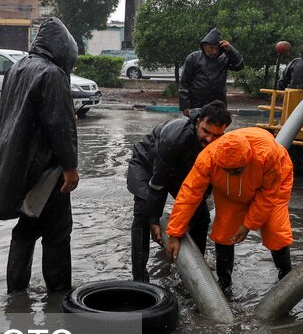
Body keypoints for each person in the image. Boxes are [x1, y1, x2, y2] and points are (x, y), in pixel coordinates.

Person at [0, 17, 80, 293]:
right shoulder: (52, 74)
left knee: (28, 226)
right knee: (58, 232)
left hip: (20, 164)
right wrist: (71, 168)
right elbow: (59, 125)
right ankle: (59, 296)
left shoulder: (17, 68)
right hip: (47, 168)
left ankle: (16, 291)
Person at [165, 127, 294, 289]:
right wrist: (174, 233)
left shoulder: (268, 155)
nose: (233, 174)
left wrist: (248, 224)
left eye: (237, 170)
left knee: (276, 231)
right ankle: (224, 284)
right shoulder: (208, 159)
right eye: (228, 170)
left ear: (247, 159)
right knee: (223, 232)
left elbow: (267, 195)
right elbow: (189, 194)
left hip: (274, 184)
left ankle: (287, 279)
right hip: (229, 191)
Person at [126, 100, 233, 282]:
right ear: (198, 121)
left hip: (181, 171)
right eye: (206, 132)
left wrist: (186, 223)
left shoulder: (219, 146)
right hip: (147, 165)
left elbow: (202, 191)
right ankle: (139, 280)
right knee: (143, 214)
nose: (209, 140)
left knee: (201, 217)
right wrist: (154, 220)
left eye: (216, 135)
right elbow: (158, 183)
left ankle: (195, 274)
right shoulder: (174, 137)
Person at [178, 28, 244, 116]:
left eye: (217, 48)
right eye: (211, 48)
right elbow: (184, 83)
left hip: (218, 104)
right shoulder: (193, 58)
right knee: (197, 128)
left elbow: (239, 65)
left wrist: (230, 49)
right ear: (204, 46)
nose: (214, 51)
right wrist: (185, 107)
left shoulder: (224, 58)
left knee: (217, 127)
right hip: (197, 104)